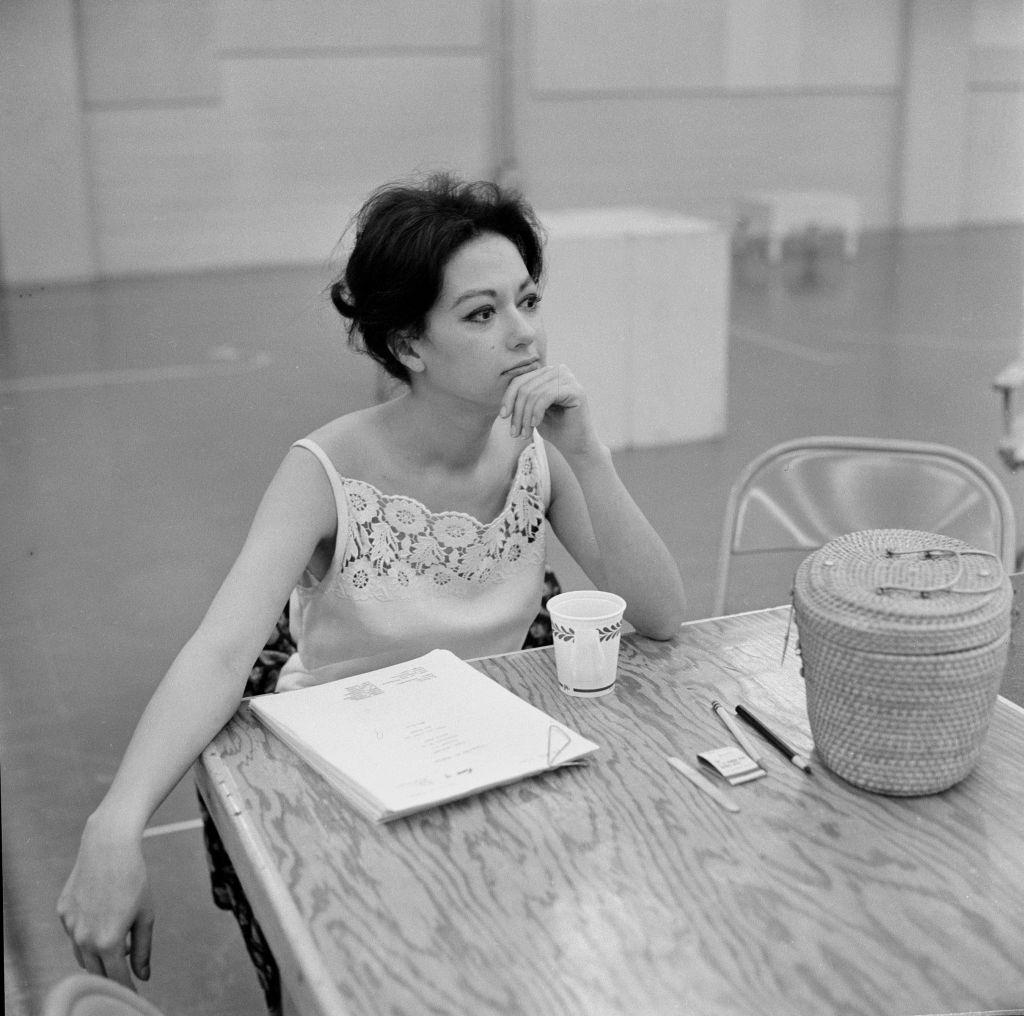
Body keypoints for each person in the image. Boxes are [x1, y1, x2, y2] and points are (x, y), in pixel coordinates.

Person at [56, 172, 687, 1007]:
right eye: (482, 313)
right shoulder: (325, 468)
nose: (524, 334)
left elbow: (661, 616)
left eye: (527, 301)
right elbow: (220, 652)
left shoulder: (541, 446)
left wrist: (592, 453)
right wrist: (116, 821)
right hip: (348, 775)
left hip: (495, 760)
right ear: (408, 344)